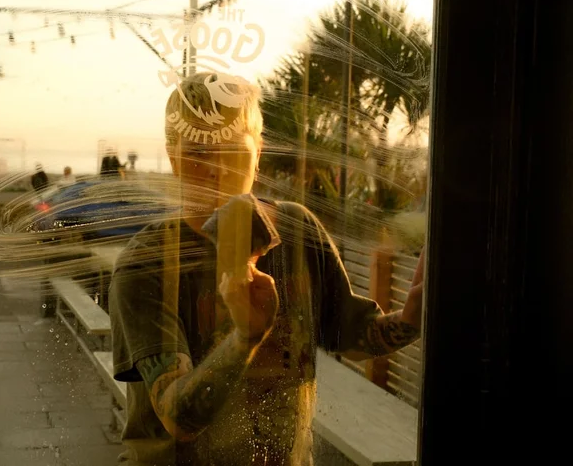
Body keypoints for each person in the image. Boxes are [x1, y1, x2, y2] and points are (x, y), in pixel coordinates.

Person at [109, 73, 424, 465]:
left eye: (232, 149)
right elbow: (177, 417)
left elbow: (348, 335)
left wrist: (411, 317)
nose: (215, 169)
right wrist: (245, 338)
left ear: (257, 155)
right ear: (174, 160)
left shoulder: (296, 231)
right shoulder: (148, 262)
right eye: (199, 153)